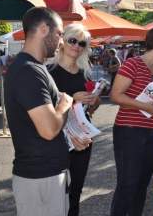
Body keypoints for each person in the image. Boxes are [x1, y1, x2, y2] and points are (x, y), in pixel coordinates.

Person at [4, 7, 73, 216]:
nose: (62, 41)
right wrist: (64, 104)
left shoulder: (36, 67)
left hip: (47, 176)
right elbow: (49, 129)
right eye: (60, 34)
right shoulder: (28, 71)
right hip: (40, 179)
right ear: (44, 29)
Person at [109, 27, 153, 216]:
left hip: (152, 132)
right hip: (129, 131)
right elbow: (115, 95)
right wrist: (143, 106)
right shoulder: (132, 64)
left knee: (142, 184)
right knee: (128, 184)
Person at [49, 23, 100, 216]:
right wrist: (72, 97)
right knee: (56, 191)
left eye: (82, 43)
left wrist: (94, 101)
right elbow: (44, 108)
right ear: (62, 41)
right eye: (72, 40)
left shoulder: (83, 73)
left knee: (76, 191)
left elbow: (89, 110)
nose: (76, 46)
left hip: (82, 136)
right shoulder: (48, 72)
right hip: (58, 138)